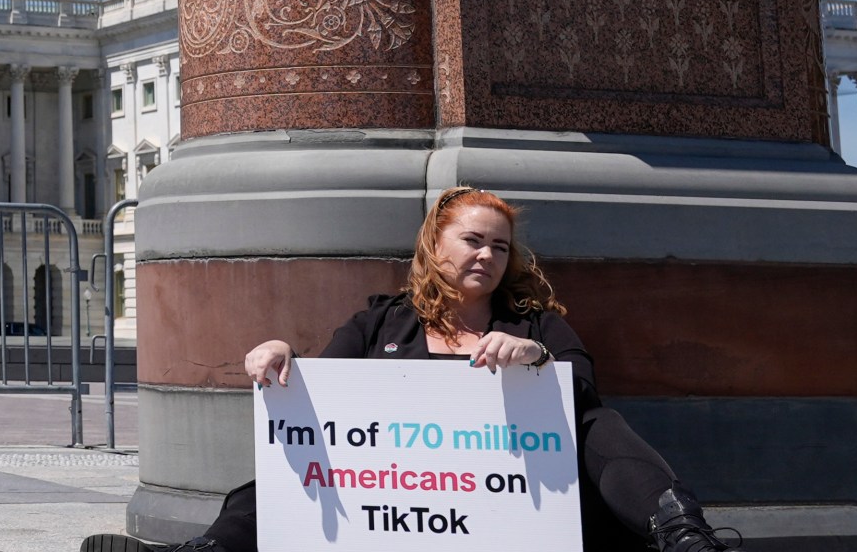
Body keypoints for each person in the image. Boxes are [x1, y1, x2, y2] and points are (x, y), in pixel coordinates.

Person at [84, 187, 735, 552]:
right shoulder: (380, 322)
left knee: (599, 422)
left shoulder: (534, 322)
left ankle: (683, 535)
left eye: (500, 246)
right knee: (303, 459)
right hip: (395, 506)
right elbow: (322, 395)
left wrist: (534, 359)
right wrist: (279, 353)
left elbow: (579, 380)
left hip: (516, 510)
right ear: (435, 244)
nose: (487, 255)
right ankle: (209, 551)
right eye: (473, 240)